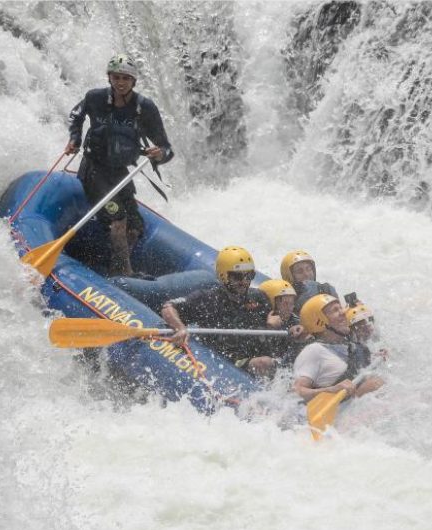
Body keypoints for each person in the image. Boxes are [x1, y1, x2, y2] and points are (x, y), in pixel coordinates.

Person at [65, 54, 174, 276]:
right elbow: (76, 116)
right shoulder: (95, 98)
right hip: (94, 169)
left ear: (133, 81)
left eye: (126, 78)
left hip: (119, 173)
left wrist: (159, 154)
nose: (121, 82)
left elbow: (166, 148)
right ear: (109, 78)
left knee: (135, 227)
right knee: (117, 219)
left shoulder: (145, 108)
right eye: (116, 77)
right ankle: (124, 274)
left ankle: (114, 267)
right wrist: (75, 139)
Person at [161, 247, 281, 377]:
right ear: (223, 276)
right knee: (264, 363)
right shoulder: (207, 299)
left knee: (269, 361)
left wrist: (275, 326)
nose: (244, 281)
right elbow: (169, 307)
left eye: (249, 276)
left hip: (252, 355)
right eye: (237, 277)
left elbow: (284, 320)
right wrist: (180, 328)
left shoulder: (259, 298)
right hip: (224, 362)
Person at [291, 294, 384, 403]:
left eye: (341, 308)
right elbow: (296, 392)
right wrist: (332, 390)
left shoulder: (351, 345)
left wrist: (375, 358)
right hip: (344, 409)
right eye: (335, 310)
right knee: (373, 384)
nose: (343, 312)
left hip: (366, 405)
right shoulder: (314, 350)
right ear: (320, 322)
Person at [259, 278, 310, 363]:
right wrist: (270, 329)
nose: (289, 308)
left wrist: (302, 337)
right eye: (285, 303)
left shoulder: (296, 322)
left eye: (291, 303)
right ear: (270, 303)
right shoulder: (258, 320)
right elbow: (258, 351)